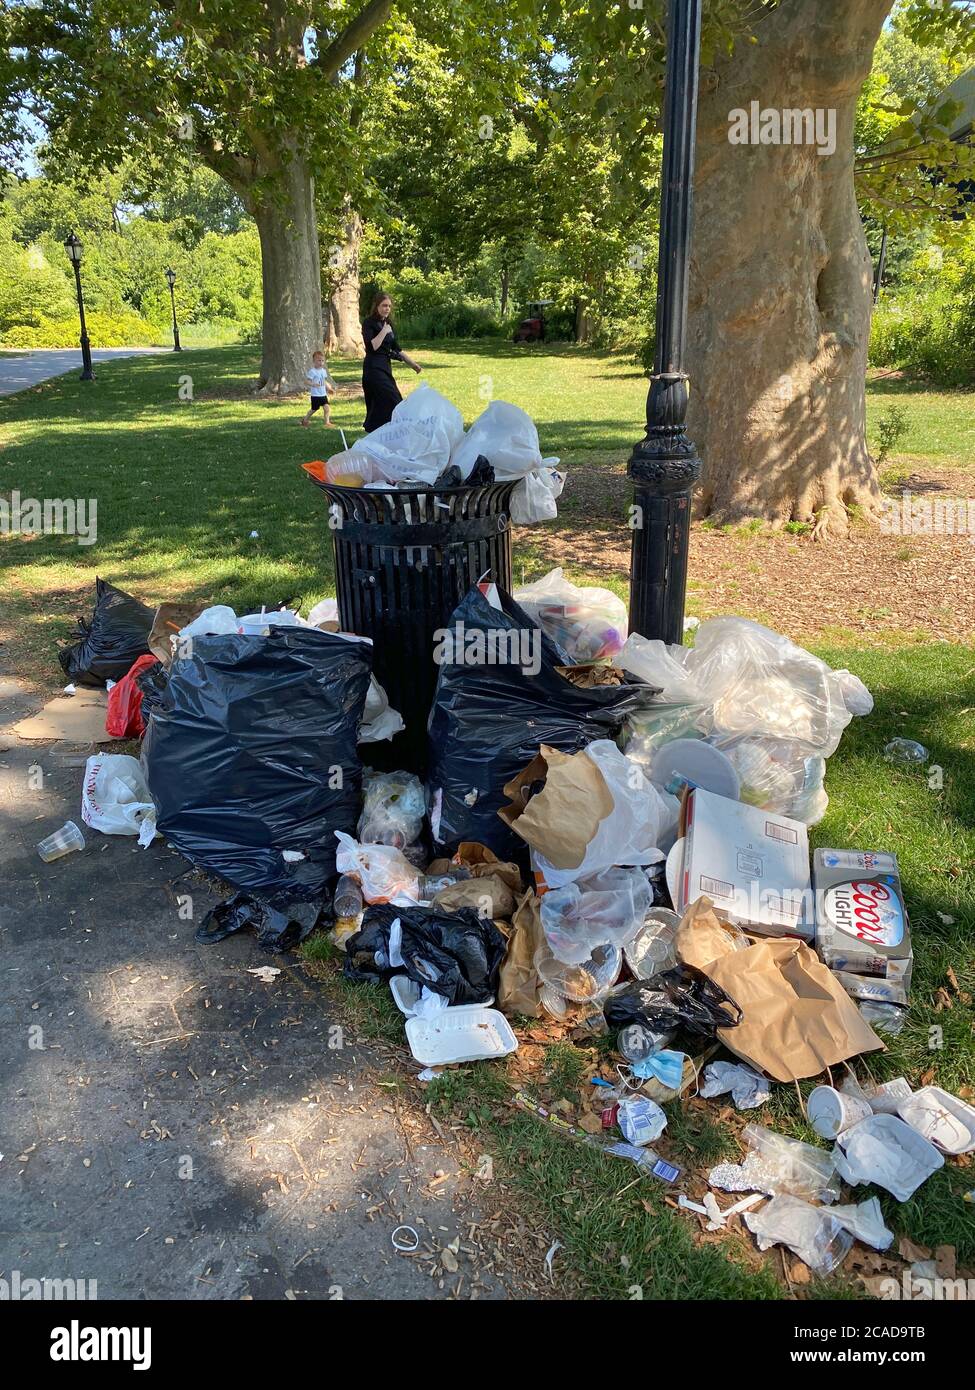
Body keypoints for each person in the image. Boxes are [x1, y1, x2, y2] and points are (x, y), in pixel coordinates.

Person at [361, 293, 421, 432]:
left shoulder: (388, 324)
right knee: (393, 400)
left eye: (389, 306)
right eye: (384, 306)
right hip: (373, 369)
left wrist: (413, 364)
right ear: (376, 306)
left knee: (384, 403)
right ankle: (388, 432)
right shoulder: (369, 323)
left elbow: (396, 348)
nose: (387, 309)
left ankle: (383, 434)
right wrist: (383, 331)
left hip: (385, 367)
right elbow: (372, 346)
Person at [301, 350, 336, 427]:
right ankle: (305, 420)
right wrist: (313, 384)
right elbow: (306, 381)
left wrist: (329, 388)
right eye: (319, 360)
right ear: (314, 361)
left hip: (323, 394)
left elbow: (324, 381)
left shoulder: (323, 371)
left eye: (322, 360)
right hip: (315, 395)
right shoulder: (312, 371)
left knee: (326, 408)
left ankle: (327, 422)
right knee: (314, 409)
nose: (321, 362)